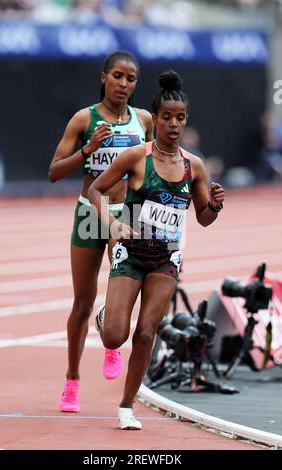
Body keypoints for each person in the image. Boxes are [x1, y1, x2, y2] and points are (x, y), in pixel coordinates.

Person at [88, 70, 225, 429]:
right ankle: (105, 317)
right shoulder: (137, 157)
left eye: (181, 118)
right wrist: (114, 224)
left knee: (147, 332)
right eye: (167, 117)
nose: (174, 124)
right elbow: (95, 191)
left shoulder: (193, 166)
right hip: (131, 253)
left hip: (166, 257)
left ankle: (126, 406)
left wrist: (215, 205)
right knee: (116, 335)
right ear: (155, 120)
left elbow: (204, 218)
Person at [48, 51, 153, 412]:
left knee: (121, 288)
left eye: (131, 78)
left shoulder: (144, 121)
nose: (124, 84)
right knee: (81, 303)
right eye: (118, 76)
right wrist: (87, 151)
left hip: (125, 214)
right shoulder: (84, 118)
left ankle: (111, 343)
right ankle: (72, 380)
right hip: (89, 213)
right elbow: (54, 171)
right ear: (103, 77)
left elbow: (154, 164)